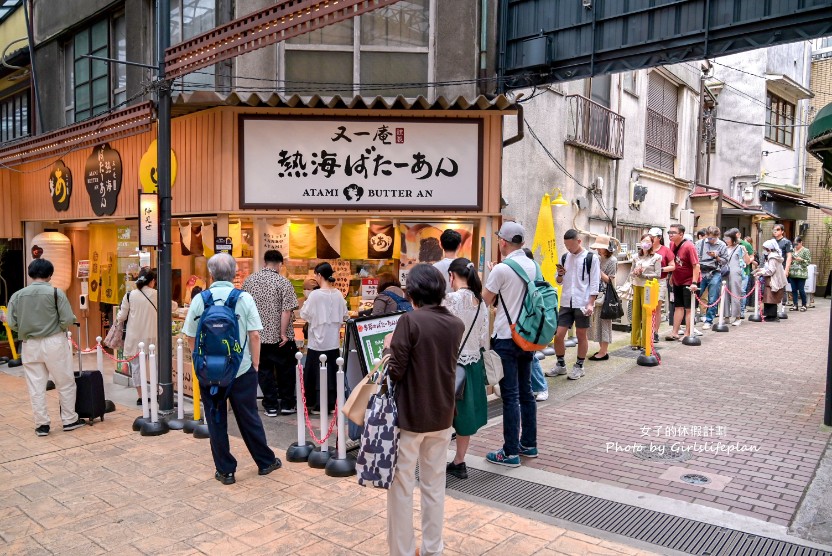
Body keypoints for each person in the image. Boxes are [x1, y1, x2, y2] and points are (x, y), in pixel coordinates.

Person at [383, 264, 464, 556]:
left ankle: (403, 551)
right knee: (433, 486)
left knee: (402, 487)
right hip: (442, 414)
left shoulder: (409, 321)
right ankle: (433, 549)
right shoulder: (456, 324)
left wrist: (387, 347)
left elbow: (396, 371)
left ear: (413, 292)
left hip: (410, 416)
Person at [184, 254, 281, 485]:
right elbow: (255, 335)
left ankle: (226, 471)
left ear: (211, 274)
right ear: (235, 273)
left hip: (210, 372)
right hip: (241, 368)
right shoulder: (244, 298)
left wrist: (201, 360)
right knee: (249, 417)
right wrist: (254, 364)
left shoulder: (201, 298)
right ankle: (265, 462)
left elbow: (189, 335)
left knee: (216, 419)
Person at [4, 259, 86, 436]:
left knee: (36, 386)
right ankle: (69, 419)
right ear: (50, 275)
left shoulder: (17, 295)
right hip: (54, 341)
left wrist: (25, 329)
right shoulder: (56, 293)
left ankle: (42, 425)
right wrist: (60, 327)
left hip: (29, 344)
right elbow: (66, 319)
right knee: (64, 382)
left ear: (30, 274)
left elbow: (11, 322)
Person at [482, 221, 538, 467]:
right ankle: (529, 444)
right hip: (527, 336)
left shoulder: (502, 269)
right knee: (526, 392)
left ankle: (510, 452)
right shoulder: (534, 265)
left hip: (506, 337)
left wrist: (492, 273)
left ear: (503, 242)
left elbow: (484, 301)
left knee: (510, 395)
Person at [443, 258, 489, 480]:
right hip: (472, 366)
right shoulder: (481, 302)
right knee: (466, 417)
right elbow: (482, 339)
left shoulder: (450, 300)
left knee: (443, 415)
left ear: (452, 275)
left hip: (449, 366)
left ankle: (436, 460)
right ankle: (460, 461)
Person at [242, 250, 299, 417]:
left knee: (264, 371)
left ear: (264, 262)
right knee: (285, 371)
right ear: (280, 264)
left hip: (258, 336)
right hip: (280, 338)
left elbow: (244, 308)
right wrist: (282, 333)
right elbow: (287, 311)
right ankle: (287, 404)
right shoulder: (284, 282)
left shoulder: (249, 281)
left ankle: (271, 405)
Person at [550, 229, 601, 379]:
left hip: (582, 302)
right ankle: (561, 364)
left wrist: (591, 303)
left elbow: (595, 282)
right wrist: (559, 275)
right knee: (558, 335)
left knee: (581, 335)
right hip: (566, 301)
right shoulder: (565, 257)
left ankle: (579, 366)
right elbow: (558, 282)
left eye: (570, 246)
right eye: (566, 246)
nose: (568, 249)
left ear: (579, 241)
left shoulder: (591, 258)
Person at [299, 262, 348, 414]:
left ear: (320, 275)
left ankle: (315, 404)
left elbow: (304, 314)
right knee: (332, 373)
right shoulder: (338, 294)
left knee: (315, 373)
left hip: (316, 343)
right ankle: (332, 404)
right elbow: (345, 315)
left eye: (316, 275)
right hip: (333, 342)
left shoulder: (315, 295)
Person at [116, 268, 159, 405]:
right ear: (152, 281)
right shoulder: (157, 294)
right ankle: (156, 393)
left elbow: (121, 316)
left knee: (136, 367)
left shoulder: (130, 295)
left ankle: (142, 396)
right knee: (155, 366)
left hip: (134, 337)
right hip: (153, 336)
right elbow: (172, 307)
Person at [665, 224, 701, 341]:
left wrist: (694, 283)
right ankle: (674, 332)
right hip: (677, 280)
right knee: (678, 306)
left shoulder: (689, 246)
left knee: (689, 308)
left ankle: (687, 332)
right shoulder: (671, 245)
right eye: (669, 232)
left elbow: (696, 266)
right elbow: (673, 262)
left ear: (681, 234)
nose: (670, 235)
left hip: (689, 281)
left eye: (673, 233)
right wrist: (671, 276)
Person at [628, 234, 661, 350]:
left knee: (647, 314)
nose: (645, 243)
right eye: (643, 241)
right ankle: (635, 341)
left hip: (648, 287)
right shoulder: (635, 257)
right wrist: (636, 272)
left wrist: (644, 274)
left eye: (648, 241)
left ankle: (646, 342)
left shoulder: (656, 257)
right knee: (635, 314)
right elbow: (631, 272)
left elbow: (658, 274)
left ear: (652, 243)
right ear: (640, 242)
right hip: (636, 285)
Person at [587, 235, 617, 361]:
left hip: (605, 296)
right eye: (598, 248)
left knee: (604, 323)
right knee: (597, 323)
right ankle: (602, 350)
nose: (598, 250)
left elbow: (610, 280)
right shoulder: (598, 258)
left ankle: (604, 351)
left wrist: (597, 271)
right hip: (597, 294)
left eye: (601, 248)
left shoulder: (612, 260)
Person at [695, 226, 728, 329]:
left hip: (715, 271)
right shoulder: (700, 243)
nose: (710, 241)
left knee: (713, 297)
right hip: (701, 271)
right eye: (708, 238)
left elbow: (725, 260)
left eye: (712, 238)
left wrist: (716, 257)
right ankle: (693, 318)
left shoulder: (722, 245)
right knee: (696, 295)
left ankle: (709, 320)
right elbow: (694, 257)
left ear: (717, 236)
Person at [648, 227, 674, 336]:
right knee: (647, 307)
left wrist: (660, 270)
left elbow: (673, 266)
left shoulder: (665, 250)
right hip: (646, 280)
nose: (650, 239)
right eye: (649, 237)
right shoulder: (645, 249)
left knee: (657, 307)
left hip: (660, 280)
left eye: (652, 237)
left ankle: (655, 332)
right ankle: (646, 331)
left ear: (659, 238)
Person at [753, 240, 787, 322]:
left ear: (769, 248)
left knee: (770, 298)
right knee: (770, 298)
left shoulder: (772, 257)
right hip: (774, 280)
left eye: (765, 248)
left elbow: (771, 270)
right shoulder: (775, 256)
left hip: (772, 280)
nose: (764, 250)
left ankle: (772, 316)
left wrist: (761, 272)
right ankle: (770, 315)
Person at [722, 231, 751, 326]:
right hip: (725, 273)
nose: (726, 240)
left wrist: (745, 252)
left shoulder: (740, 248)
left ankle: (737, 316)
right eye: (725, 238)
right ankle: (726, 316)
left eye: (728, 238)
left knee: (735, 294)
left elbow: (747, 262)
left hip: (735, 273)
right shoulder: (724, 248)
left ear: (733, 238)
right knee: (724, 294)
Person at [433, 229, 462, 293]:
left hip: (440, 302)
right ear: (459, 246)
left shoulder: (434, 268)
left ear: (440, 245)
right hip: (460, 302)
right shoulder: (467, 265)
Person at [788, 237, 811, 312]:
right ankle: (795, 305)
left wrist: (801, 260)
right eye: (795, 244)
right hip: (792, 272)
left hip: (801, 273)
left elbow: (808, 261)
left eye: (797, 244)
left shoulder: (806, 250)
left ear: (801, 242)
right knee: (793, 290)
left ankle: (804, 305)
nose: (796, 246)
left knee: (801, 289)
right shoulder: (792, 250)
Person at [738, 233, 756, 317]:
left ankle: (741, 311)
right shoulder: (728, 245)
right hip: (733, 272)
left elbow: (752, 257)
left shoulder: (746, 245)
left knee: (742, 291)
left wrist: (749, 260)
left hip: (744, 271)